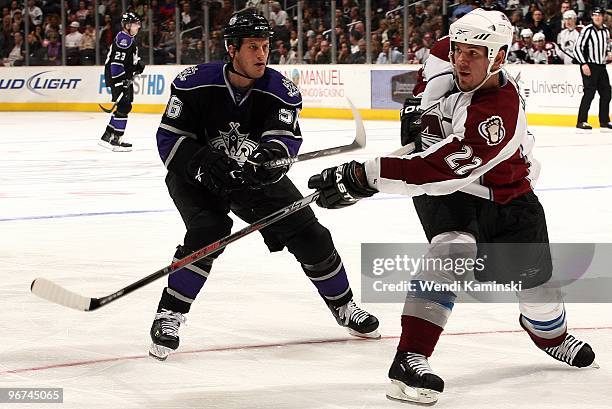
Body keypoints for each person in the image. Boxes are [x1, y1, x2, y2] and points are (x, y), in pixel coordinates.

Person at [309, 9, 596, 405]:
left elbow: (442, 168)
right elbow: (422, 99)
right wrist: (414, 112)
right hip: (450, 196)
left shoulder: (498, 108)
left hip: (503, 193)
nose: (462, 58)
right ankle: (410, 359)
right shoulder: (447, 53)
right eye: (459, 49)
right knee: (451, 250)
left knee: (537, 285)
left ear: (497, 58)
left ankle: (550, 337)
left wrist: (364, 175)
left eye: (474, 53)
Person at [148, 10, 380, 361]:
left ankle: (345, 306)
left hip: (249, 179)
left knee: (312, 234)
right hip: (195, 176)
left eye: (266, 46)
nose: (262, 55)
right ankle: (170, 315)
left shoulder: (280, 91)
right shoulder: (194, 83)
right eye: (253, 46)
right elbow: (169, 137)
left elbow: (283, 139)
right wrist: (201, 162)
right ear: (231, 49)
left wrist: (270, 162)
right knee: (209, 230)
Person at [99, 12, 144, 152]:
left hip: (121, 77)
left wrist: (136, 67)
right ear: (127, 25)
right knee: (125, 107)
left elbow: (125, 60)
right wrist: (121, 81)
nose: (138, 27)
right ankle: (116, 140)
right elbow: (116, 63)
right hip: (118, 77)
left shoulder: (127, 38)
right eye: (136, 24)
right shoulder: (124, 39)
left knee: (123, 107)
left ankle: (107, 135)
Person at [574, 6, 611, 131]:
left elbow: (607, 46)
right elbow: (577, 48)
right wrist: (583, 64)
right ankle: (581, 121)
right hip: (589, 65)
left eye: (600, 15)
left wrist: (608, 54)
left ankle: (604, 121)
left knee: (606, 93)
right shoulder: (587, 30)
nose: (598, 17)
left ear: (603, 17)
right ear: (592, 17)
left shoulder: (606, 30)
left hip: (601, 66)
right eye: (595, 15)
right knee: (589, 94)